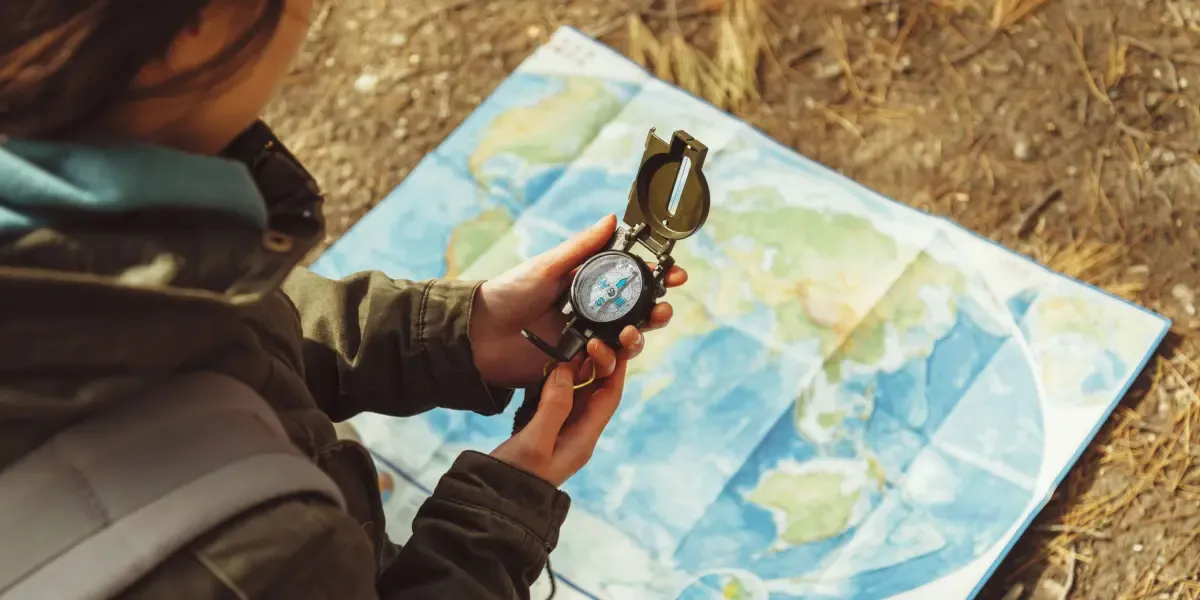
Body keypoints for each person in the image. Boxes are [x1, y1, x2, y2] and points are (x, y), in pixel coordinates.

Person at [0, 1, 687, 599]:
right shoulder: (254, 556)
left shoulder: (86, 243)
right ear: (188, 27)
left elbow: (224, 331)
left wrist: (456, 334)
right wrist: (501, 515)